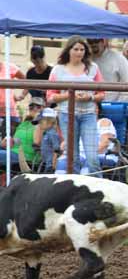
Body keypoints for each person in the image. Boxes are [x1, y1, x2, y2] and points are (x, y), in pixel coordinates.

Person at [47, 35, 105, 175]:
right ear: (69, 50)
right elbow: (50, 97)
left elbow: (102, 94)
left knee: (92, 157)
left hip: (88, 115)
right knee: (73, 157)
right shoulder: (58, 70)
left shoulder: (93, 68)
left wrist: (90, 97)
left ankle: (100, 186)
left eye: (82, 49)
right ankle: (75, 190)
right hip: (67, 115)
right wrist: (69, 95)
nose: (79, 52)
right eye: (76, 49)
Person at [55, 118, 120, 174]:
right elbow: (64, 144)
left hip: (101, 154)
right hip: (81, 155)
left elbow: (105, 143)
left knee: (89, 161)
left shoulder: (104, 122)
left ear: (95, 109)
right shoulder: (80, 124)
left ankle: (84, 185)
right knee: (63, 161)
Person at [0, 97, 44, 169]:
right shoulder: (24, 123)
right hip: (14, 152)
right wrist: (9, 141)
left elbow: (37, 142)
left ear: (43, 109)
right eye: (31, 106)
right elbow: (17, 141)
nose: (34, 109)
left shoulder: (42, 124)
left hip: (25, 157)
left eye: (38, 107)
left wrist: (38, 119)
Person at [87, 38, 128, 104]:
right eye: (90, 41)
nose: (93, 44)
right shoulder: (85, 59)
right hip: (89, 105)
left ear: (103, 42)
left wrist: (119, 104)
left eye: (96, 40)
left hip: (111, 104)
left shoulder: (118, 58)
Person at [32, 107, 61, 173]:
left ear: (49, 121)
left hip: (50, 165)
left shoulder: (52, 134)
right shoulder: (46, 133)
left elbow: (56, 150)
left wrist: (53, 165)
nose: (39, 124)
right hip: (46, 163)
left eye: (41, 122)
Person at [0, 59, 25, 130]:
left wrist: (22, 95)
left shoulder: (9, 67)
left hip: (10, 112)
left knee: (11, 138)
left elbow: (25, 79)